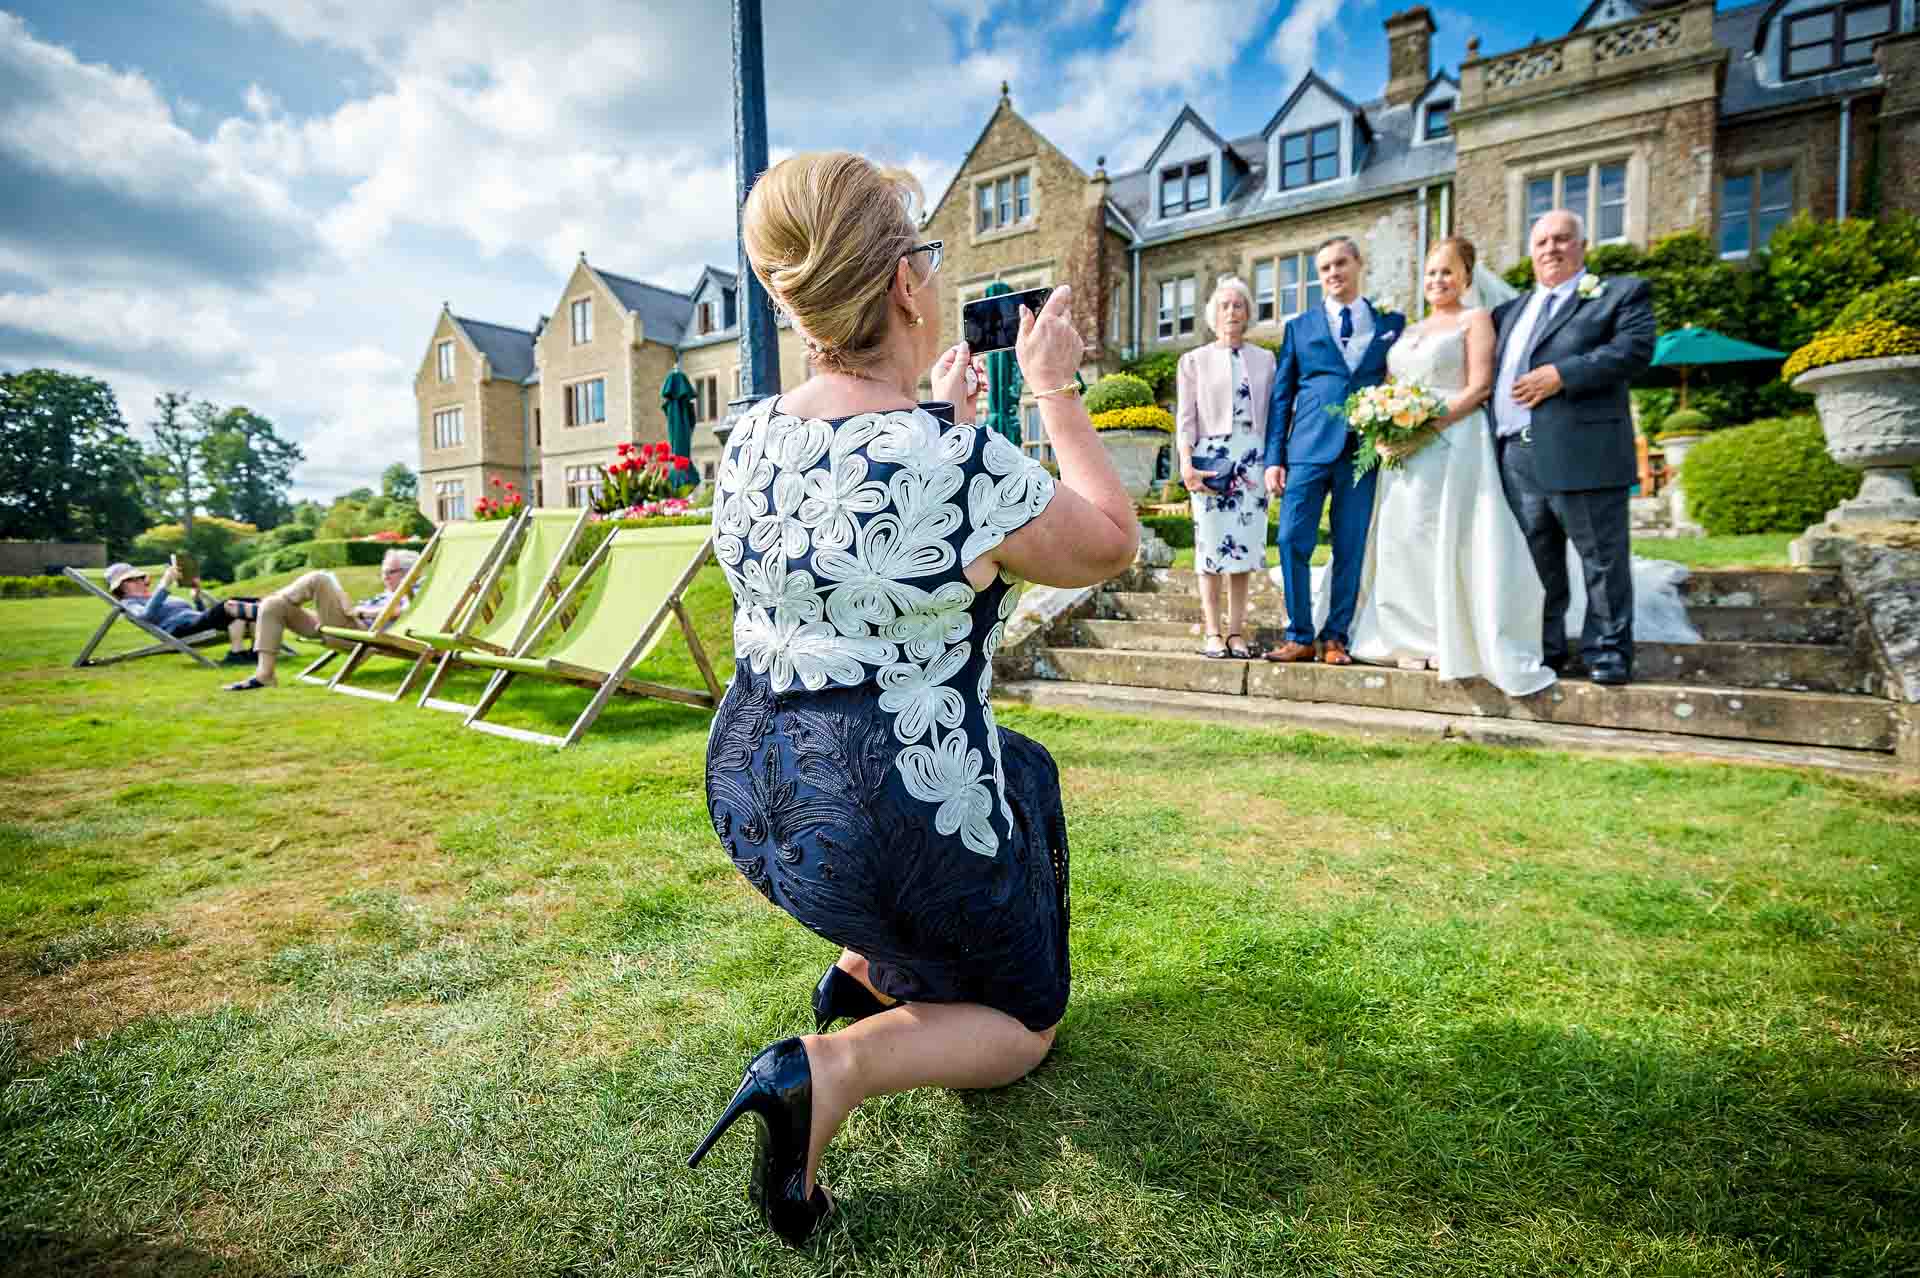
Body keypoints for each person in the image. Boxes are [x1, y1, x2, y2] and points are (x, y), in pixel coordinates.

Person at [688, 151, 1137, 1247]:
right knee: (1026, 1023)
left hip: (756, 800)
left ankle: (862, 968)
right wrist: (1055, 388)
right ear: (902, 284)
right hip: (894, 820)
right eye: (926, 255)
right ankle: (831, 1068)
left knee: (1023, 766)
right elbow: (1110, 541)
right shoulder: (956, 460)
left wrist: (935, 416)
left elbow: (855, 500)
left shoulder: (745, 437)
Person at [1344, 237, 1556, 695]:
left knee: (1448, 534)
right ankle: (1405, 634)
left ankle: (1447, 634)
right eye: (1431, 273)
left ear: (1466, 276)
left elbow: (1479, 387)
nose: (1437, 280)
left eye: (1447, 271)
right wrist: (1382, 425)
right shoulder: (1409, 330)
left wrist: (1426, 427)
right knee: (1405, 537)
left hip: (1454, 440)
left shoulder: (1474, 320)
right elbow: (1389, 384)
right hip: (1404, 448)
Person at [1490, 209, 1655, 685]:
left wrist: (1564, 375)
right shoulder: (1510, 312)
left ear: (1582, 246)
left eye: (1562, 239)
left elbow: (1635, 350)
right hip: (1515, 455)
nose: (1551, 249)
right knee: (1536, 562)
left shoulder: (1619, 295)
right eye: (1541, 241)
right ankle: (1547, 648)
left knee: (1600, 558)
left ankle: (1608, 651)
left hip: (1583, 449)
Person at [1262, 235, 1404, 666]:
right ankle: (1299, 634)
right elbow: (1281, 397)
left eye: (1341, 263)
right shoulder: (1299, 327)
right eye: (1325, 268)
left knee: (1351, 546)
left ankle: (1336, 637)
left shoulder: (1389, 324)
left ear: (1358, 264)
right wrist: (1274, 459)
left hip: (1363, 450)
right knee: (1290, 540)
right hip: (1306, 448)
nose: (1333, 273)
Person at [1175, 277, 1274, 659]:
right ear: (1213, 315)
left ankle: (1236, 632)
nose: (1231, 312)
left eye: (1238, 305)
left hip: (1253, 458)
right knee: (1211, 548)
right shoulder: (1193, 361)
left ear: (1248, 312)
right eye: (1224, 306)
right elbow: (1186, 419)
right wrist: (1186, 463)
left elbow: (1276, 414)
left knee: (1244, 551)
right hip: (1210, 459)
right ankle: (1213, 632)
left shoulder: (1266, 359)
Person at [221, 549, 419, 691]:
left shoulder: (418, 591)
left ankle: (259, 606)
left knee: (320, 578)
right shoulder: (385, 593)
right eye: (383, 571)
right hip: (346, 626)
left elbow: (405, 611)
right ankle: (264, 675)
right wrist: (346, 602)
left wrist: (360, 612)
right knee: (274, 606)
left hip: (363, 634)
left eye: (390, 572)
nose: (384, 576)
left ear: (408, 572)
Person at [106, 561, 257, 664]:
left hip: (196, 622)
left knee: (240, 612)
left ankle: (245, 654)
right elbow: (145, 616)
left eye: (139, 577)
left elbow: (200, 616)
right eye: (132, 580)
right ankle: (268, 608)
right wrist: (164, 585)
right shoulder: (129, 603)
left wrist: (196, 598)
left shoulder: (157, 596)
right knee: (234, 605)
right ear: (121, 587)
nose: (139, 581)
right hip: (181, 629)